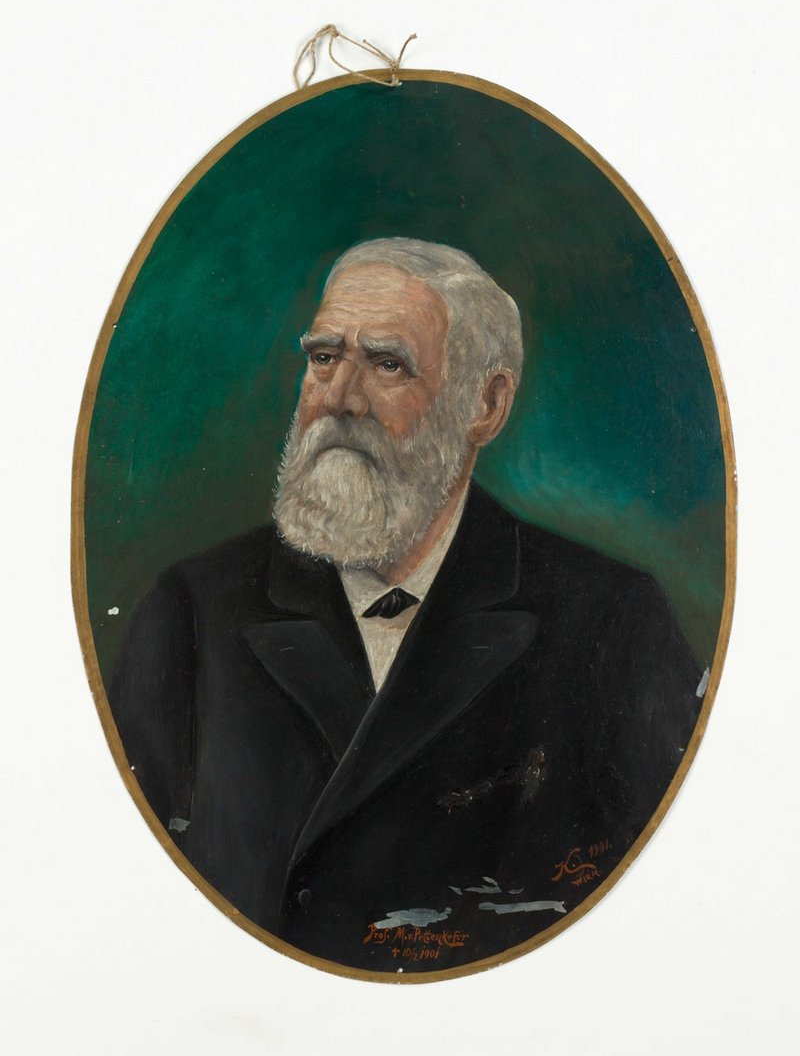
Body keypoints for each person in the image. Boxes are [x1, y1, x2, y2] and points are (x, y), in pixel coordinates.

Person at [110, 238, 702, 974]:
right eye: (324, 357)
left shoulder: (613, 623)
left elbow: (669, 900)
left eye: (387, 364)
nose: (339, 397)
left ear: (486, 405)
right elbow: (128, 892)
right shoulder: (193, 611)